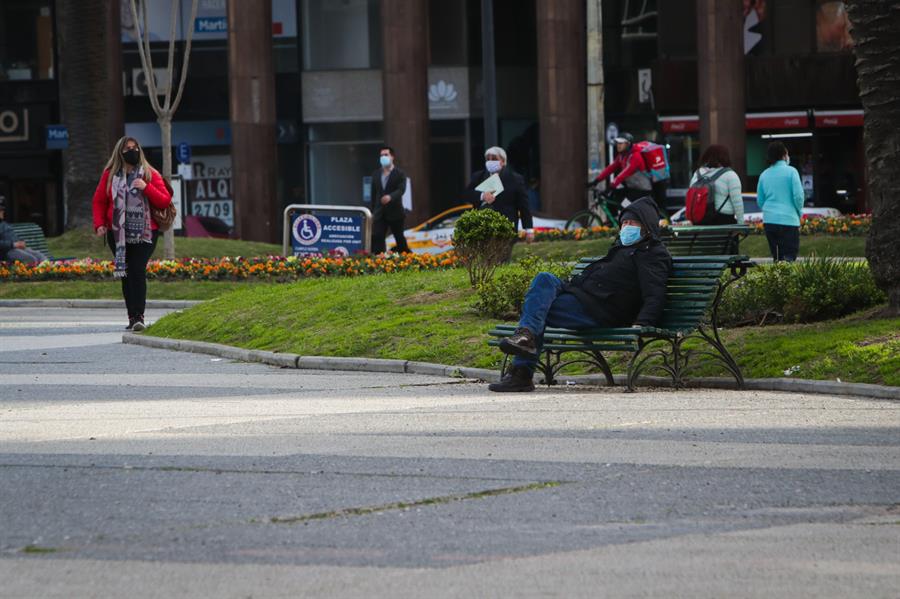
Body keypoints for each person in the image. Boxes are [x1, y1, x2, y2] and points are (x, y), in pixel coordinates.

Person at [489, 196, 672, 392]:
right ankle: (524, 341)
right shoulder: (622, 249)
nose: (626, 227)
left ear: (645, 226)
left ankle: (522, 371)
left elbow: (655, 293)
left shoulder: (652, 254)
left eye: (631, 222)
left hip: (601, 310)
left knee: (537, 313)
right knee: (544, 279)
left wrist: (642, 324)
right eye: (624, 222)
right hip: (581, 298)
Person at [92, 136, 172, 331]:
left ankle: (139, 316)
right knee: (126, 274)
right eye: (127, 148)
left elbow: (164, 200)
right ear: (120, 152)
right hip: (117, 233)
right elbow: (99, 201)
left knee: (137, 270)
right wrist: (100, 224)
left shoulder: (149, 174)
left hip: (146, 232)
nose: (132, 151)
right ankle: (131, 316)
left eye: (135, 148)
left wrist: (146, 188)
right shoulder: (110, 175)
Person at [464, 146, 534, 241]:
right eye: (488, 159)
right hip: (482, 230)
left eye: (494, 159)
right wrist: (482, 196)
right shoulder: (478, 176)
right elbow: (467, 194)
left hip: (506, 229)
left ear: (503, 161)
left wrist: (529, 229)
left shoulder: (515, 179)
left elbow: (524, 205)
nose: (490, 161)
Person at [757, 141, 804, 262]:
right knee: (789, 257)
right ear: (784, 155)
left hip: (770, 221)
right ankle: (786, 280)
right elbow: (798, 197)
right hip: (789, 220)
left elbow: (760, 200)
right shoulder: (792, 172)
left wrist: (770, 210)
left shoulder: (764, 175)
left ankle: (777, 280)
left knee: (777, 257)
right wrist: (799, 212)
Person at [689, 145, 744, 225]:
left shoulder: (697, 174)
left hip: (700, 218)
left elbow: (692, 195)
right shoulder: (730, 175)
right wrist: (741, 223)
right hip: (724, 218)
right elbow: (737, 202)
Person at [369, 146, 409, 254]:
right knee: (377, 236)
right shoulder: (376, 174)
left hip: (395, 212)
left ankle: (407, 258)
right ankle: (378, 260)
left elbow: (401, 190)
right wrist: (372, 212)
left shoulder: (399, 174)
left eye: (386, 155)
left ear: (392, 157)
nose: (383, 157)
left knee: (399, 238)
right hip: (380, 213)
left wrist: (390, 197)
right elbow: (373, 194)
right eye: (381, 155)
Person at [592, 133, 653, 203]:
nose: (618, 145)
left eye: (621, 143)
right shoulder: (622, 156)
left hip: (642, 190)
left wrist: (611, 186)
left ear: (628, 144)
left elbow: (624, 174)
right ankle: (617, 214)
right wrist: (596, 180)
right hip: (631, 188)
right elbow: (610, 168)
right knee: (612, 198)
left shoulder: (636, 156)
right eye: (617, 143)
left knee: (625, 204)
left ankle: (628, 213)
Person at [0, 195, 49, 264]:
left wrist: (20, 242)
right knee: (31, 259)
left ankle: (47, 272)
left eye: (2, 210)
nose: (2, 212)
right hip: (6, 252)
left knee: (40, 256)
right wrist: (13, 244)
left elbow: (12, 236)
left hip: (16, 248)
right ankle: (37, 273)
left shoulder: (4, 224)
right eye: (0, 210)